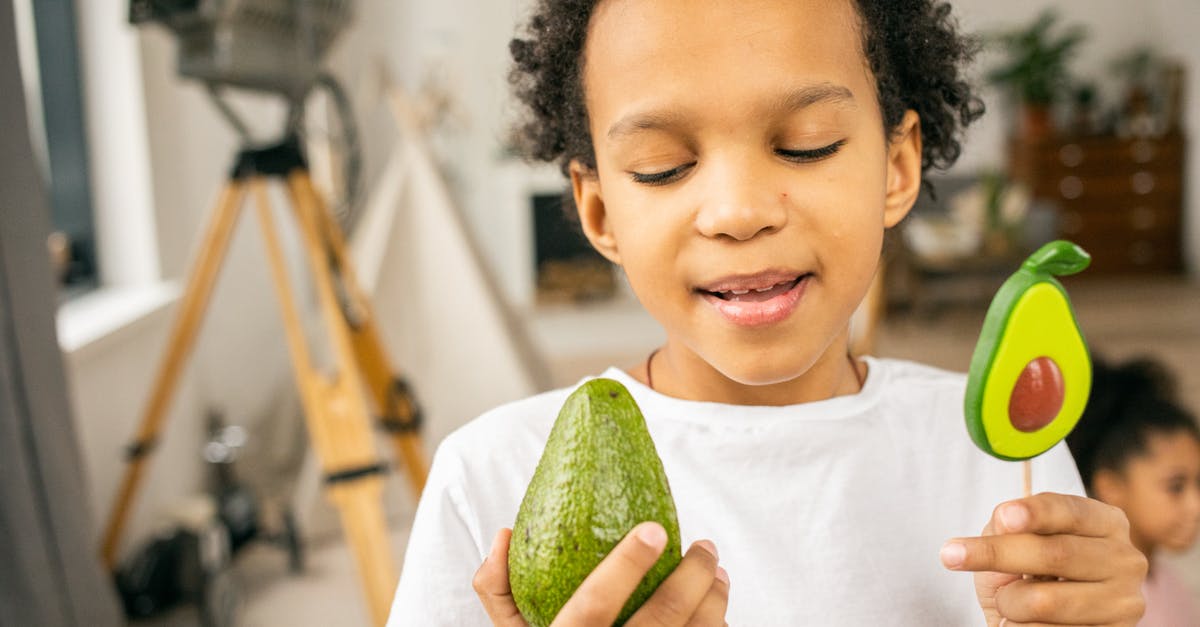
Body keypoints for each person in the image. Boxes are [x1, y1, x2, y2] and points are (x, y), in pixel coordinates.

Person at [387, 1, 1147, 624]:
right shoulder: (489, 482)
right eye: (664, 166)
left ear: (897, 165)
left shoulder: (1004, 449)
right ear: (599, 211)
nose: (739, 212)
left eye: (806, 146)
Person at [1067, 357, 1200, 627]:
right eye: (1176, 486)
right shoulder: (1079, 598)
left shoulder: (1174, 589)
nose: (1196, 506)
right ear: (1111, 486)